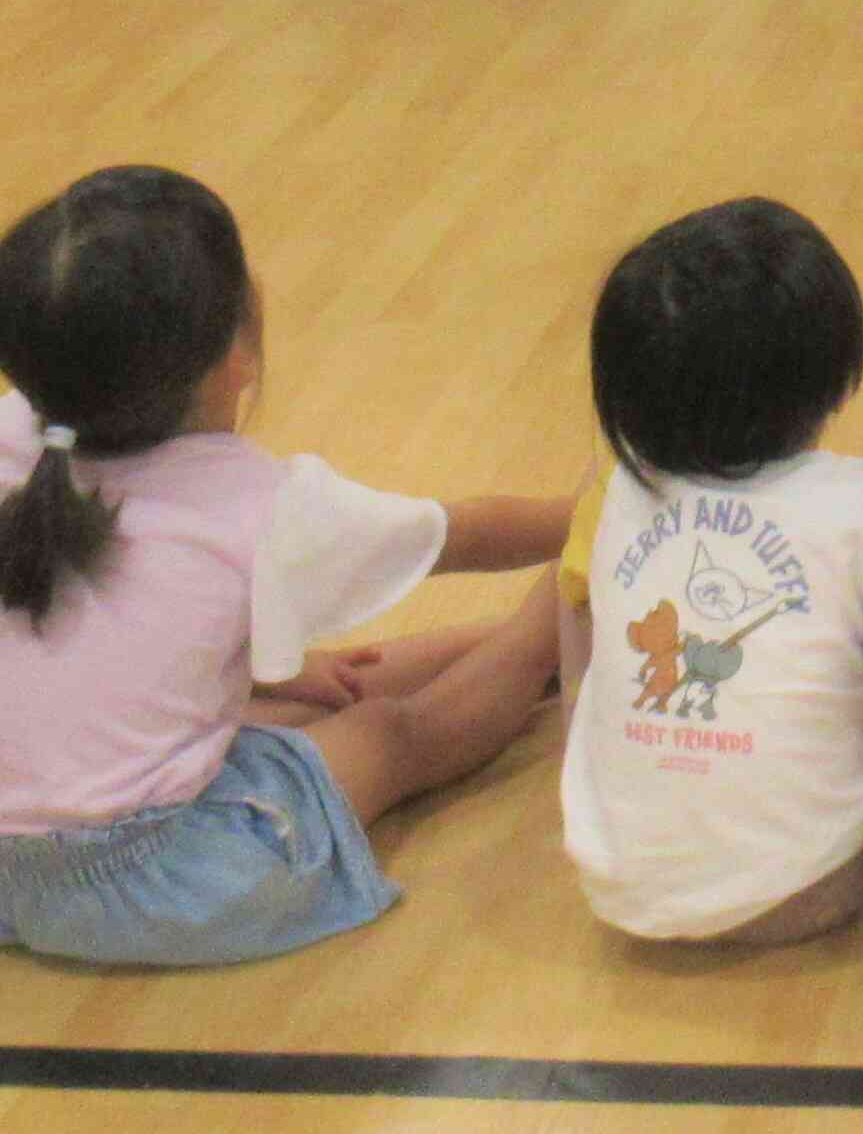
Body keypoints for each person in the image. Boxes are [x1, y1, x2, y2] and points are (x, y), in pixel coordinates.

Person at [0, 165, 571, 967]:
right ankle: (557, 629)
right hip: (159, 884)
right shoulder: (257, 504)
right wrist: (599, 515)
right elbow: (459, 536)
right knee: (385, 728)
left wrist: (275, 677)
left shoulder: (19, 439)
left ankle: (513, 647)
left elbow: (91, 651)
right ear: (236, 355)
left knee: (330, 685)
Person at [557, 197, 863, 945]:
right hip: (812, 890)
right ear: (831, 375)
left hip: (613, 882)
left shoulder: (610, 493)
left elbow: (580, 659)